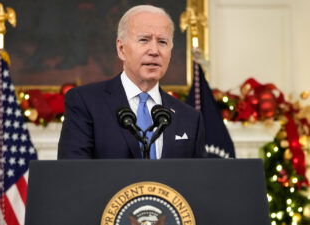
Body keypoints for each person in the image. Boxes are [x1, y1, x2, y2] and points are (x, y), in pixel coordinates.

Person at [58, 5, 206, 159]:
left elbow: (198, 179)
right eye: (144, 40)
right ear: (121, 49)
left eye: (162, 42)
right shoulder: (85, 102)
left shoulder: (189, 118)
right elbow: (73, 173)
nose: (154, 51)